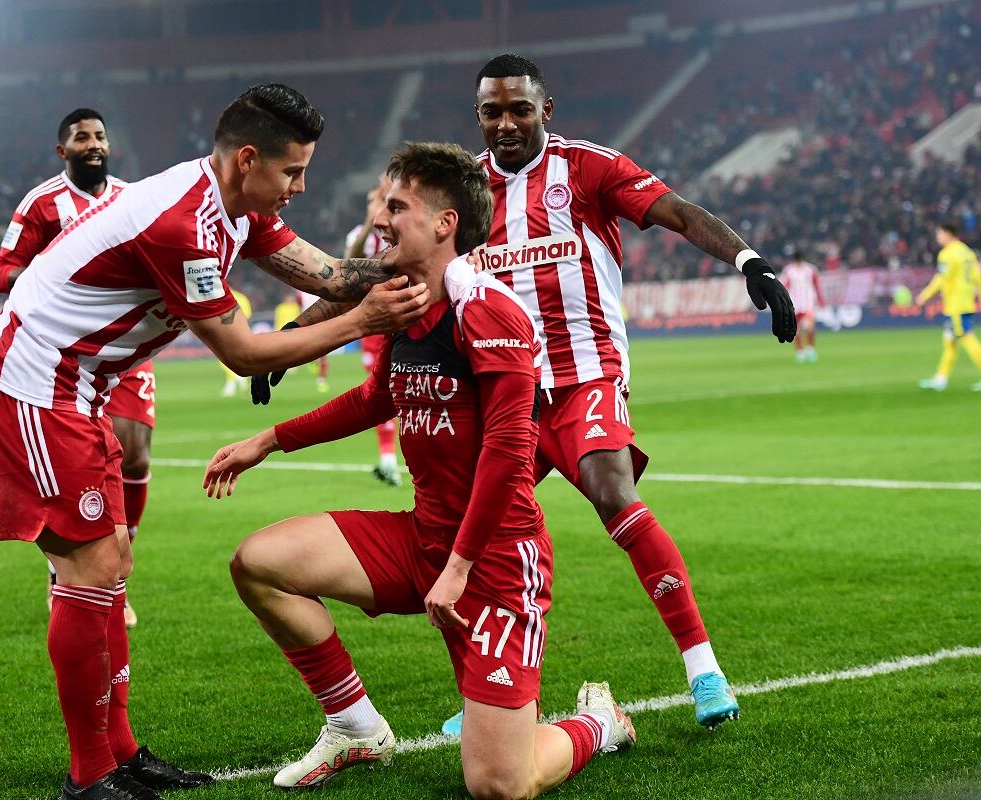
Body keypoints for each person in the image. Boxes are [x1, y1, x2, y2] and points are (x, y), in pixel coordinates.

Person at [255, 54, 798, 735]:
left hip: (582, 377)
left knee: (611, 490)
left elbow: (680, 214)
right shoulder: (465, 192)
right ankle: (495, 696)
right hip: (497, 389)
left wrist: (752, 264)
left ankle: (702, 666)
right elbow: (379, 271)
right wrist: (297, 332)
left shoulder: (589, 169)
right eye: (491, 111)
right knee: (467, 526)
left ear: (546, 110)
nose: (505, 122)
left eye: (518, 108)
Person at [0, 83, 428, 800]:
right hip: (33, 385)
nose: (302, 187)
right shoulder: (181, 223)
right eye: (293, 172)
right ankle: (91, 776)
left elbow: (331, 274)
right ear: (249, 159)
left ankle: (119, 752)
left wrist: (421, 263)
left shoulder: (238, 207)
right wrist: (364, 320)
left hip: (81, 387)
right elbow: (243, 355)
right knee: (90, 569)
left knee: (112, 561)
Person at [204, 142, 635, 798]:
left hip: (492, 563)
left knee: (499, 784)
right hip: (423, 541)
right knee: (259, 562)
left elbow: (508, 454)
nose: (380, 218)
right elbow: (378, 398)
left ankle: (597, 722)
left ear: (445, 224)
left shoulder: (489, 311)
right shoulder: (405, 304)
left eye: (396, 206)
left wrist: (459, 570)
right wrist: (268, 440)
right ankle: (354, 726)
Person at [0, 108, 153, 626]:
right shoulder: (43, 203)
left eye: (100, 135)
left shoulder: (133, 201)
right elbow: (5, 274)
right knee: (81, 465)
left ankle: (118, 574)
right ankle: (69, 568)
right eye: (81, 137)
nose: (93, 144)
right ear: (63, 151)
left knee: (133, 448)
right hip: (63, 357)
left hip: (125, 348)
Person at [346, 173, 401, 486]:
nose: (374, 205)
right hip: (373, 324)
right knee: (380, 391)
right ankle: (388, 460)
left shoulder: (401, 228)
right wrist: (369, 220)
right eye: (370, 202)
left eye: (378, 200)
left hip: (405, 317)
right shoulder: (360, 234)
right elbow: (349, 262)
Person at [916, 221, 981, 391]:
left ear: (947, 233)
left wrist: (924, 296)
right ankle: (941, 379)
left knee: (967, 338)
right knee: (950, 341)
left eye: (939, 234)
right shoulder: (967, 252)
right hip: (965, 301)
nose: (937, 237)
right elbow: (978, 276)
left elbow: (941, 279)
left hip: (956, 304)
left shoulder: (947, 254)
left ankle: (941, 379)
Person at [780, 251, 824, 363]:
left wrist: (821, 300)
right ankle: (800, 352)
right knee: (796, 331)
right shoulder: (789, 270)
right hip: (794, 304)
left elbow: (816, 284)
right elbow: (784, 286)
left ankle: (810, 349)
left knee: (809, 327)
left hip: (808, 303)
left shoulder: (810, 269)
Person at [220, 289, 253, 397]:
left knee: (225, 358)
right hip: (240, 331)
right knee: (232, 357)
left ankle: (235, 381)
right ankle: (235, 381)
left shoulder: (220, 295)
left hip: (226, 332)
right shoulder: (241, 297)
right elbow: (248, 315)